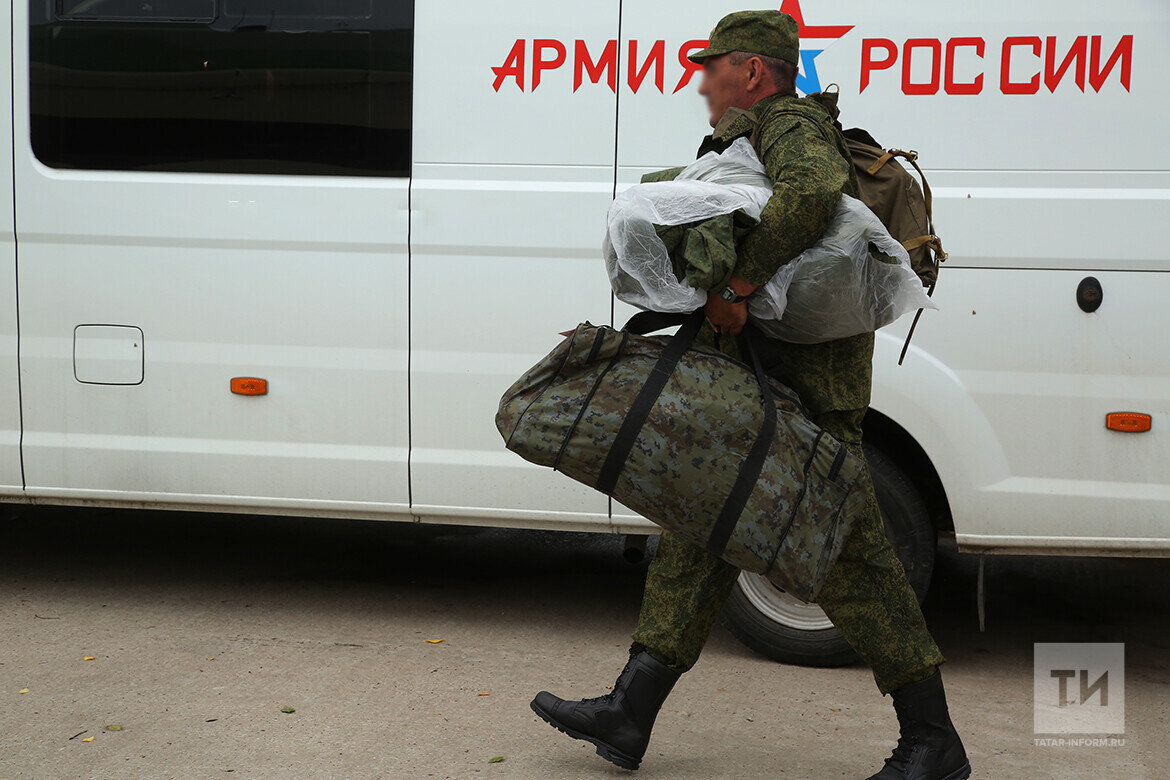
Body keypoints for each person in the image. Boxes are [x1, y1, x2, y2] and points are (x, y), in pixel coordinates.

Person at [529, 10, 971, 780]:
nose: (701, 82)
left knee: (854, 564)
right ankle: (631, 709)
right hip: (769, 380)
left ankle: (933, 742)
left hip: (807, 395)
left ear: (753, 71)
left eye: (713, 67)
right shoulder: (755, 131)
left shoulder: (789, 121)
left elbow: (810, 192)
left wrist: (738, 282)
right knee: (698, 534)